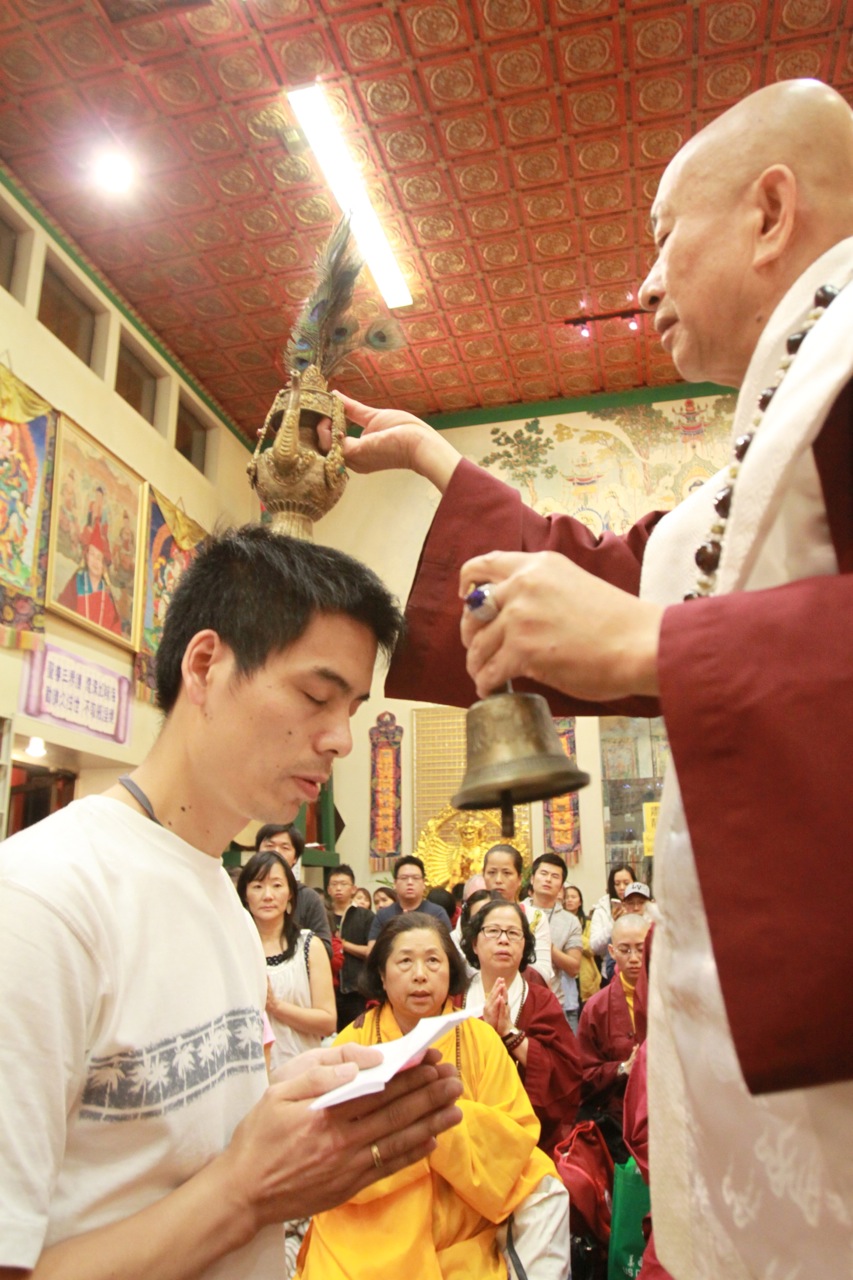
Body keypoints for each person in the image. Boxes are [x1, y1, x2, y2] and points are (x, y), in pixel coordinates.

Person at [325, 78, 853, 1277]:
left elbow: (642, 619)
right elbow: (625, 573)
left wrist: (663, 650)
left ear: (770, 211)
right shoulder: (774, 425)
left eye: (663, 238)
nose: (646, 283)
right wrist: (440, 462)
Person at [0, 526, 464, 1280]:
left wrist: (301, 1100)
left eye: (350, 708)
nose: (341, 739)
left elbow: (181, 1146)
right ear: (206, 665)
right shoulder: (41, 902)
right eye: (316, 695)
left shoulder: (220, 892)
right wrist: (247, 1194)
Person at [297, 913, 569, 1279]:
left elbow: (516, 1136)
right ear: (381, 975)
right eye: (405, 962)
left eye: (433, 961)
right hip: (366, 1228)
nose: (420, 975)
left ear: (451, 971)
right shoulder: (352, 1044)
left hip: (462, 1230)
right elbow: (328, 1149)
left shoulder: (481, 1039)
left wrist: (435, 1123)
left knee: (543, 1177)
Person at [462, 897, 582, 1158]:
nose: (503, 940)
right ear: (474, 943)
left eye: (513, 933)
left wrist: (510, 1033)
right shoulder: (452, 999)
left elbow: (565, 1074)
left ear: (525, 945)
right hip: (460, 1134)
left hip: (527, 1138)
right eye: (493, 931)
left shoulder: (541, 1000)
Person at [237, 850, 336, 1067]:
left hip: (302, 1070)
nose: (268, 895)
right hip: (251, 1072)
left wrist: (275, 1006)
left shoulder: (310, 946)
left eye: (277, 885)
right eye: (257, 886)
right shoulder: (236, 948)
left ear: (290, 893)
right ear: (245, 894)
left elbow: (328, 1022)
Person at [254, 823, 332, 959]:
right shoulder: (244, 893)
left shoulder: (309, 898)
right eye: (269, 846)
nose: (276, 852)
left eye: (285, 848)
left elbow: (324, 949)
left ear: (295, 857)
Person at [482, 843, 554, 984]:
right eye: (491, 872)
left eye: (507, 873)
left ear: (519, 879)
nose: (498, 880)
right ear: (483, 875)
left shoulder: (535, 917)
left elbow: (543, 972)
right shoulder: (471, 915)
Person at [529, 852, 583, 1030]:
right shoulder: (515, 911)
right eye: (543, 874)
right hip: (517, 999)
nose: (548, 880)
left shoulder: (570, 921)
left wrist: (547, 947)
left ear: (561, 887)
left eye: (555, 876)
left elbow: (574, 968)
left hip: (553, 1003)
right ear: (532, 879)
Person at [366, 854, 451, 948]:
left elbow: (449, 949)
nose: (410, 882)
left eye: (415, 878)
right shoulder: (383, 915)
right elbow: (372, 950)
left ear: (423, 883)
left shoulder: (437, 913)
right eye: (404, 878)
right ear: (395, 884)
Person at [326, 863, 374, 1031]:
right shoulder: (323, 915)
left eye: (343, 884)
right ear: (328, 889)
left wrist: (343, 945)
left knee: (356, 1034)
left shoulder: (365, 916)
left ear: (353, 889)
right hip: (327, 989)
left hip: (356, 990)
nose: (338, 888)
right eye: (334, 884)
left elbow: (371, 952)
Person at [57, 522, 122, 635]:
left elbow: (115, 627)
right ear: (86, 556)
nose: (95, 561)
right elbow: (62, 610)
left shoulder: (107, 594)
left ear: (104, 565)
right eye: (92, 554)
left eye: (99, 557)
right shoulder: (76, 582)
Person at [589, 863, 636, 969]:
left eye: (626, 883)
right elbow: (594, 947)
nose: (622, 887)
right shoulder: (602, 908)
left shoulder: (641, 906)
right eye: (617, 884)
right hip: (611, 968)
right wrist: (613, 923)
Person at [565, 885, 602, 1006]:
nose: (569, 900)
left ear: (580, 902)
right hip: (565, 976)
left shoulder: (589, 922)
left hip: (586, 978)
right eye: (566, 897)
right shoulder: (558, 923)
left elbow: (592, 948)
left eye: (573, 897)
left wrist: (573, 932)